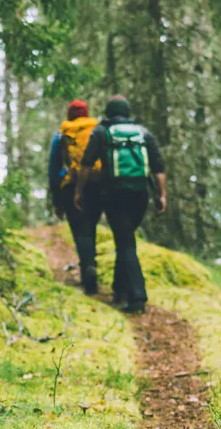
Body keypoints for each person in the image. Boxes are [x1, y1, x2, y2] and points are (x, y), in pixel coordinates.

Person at [75, 95, 166, 313]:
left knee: (125, 243)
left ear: (107, 112)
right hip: (140, 194)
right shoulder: (143, 133)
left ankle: (137, 297)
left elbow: (86, 164)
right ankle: (120, 289)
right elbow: (158, 167)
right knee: (125, 239)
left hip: (114, 194)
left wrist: (79, 191)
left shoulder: (101, 132)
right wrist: (162, 195)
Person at [47, 98, 101, 294]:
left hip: (71, 186)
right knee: (91, 226)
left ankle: (87, 267)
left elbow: (54, 168)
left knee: (79, 229)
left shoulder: (61, 135)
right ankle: (91, 264)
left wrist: (56, 199)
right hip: (96, 185)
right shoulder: (97, 131)